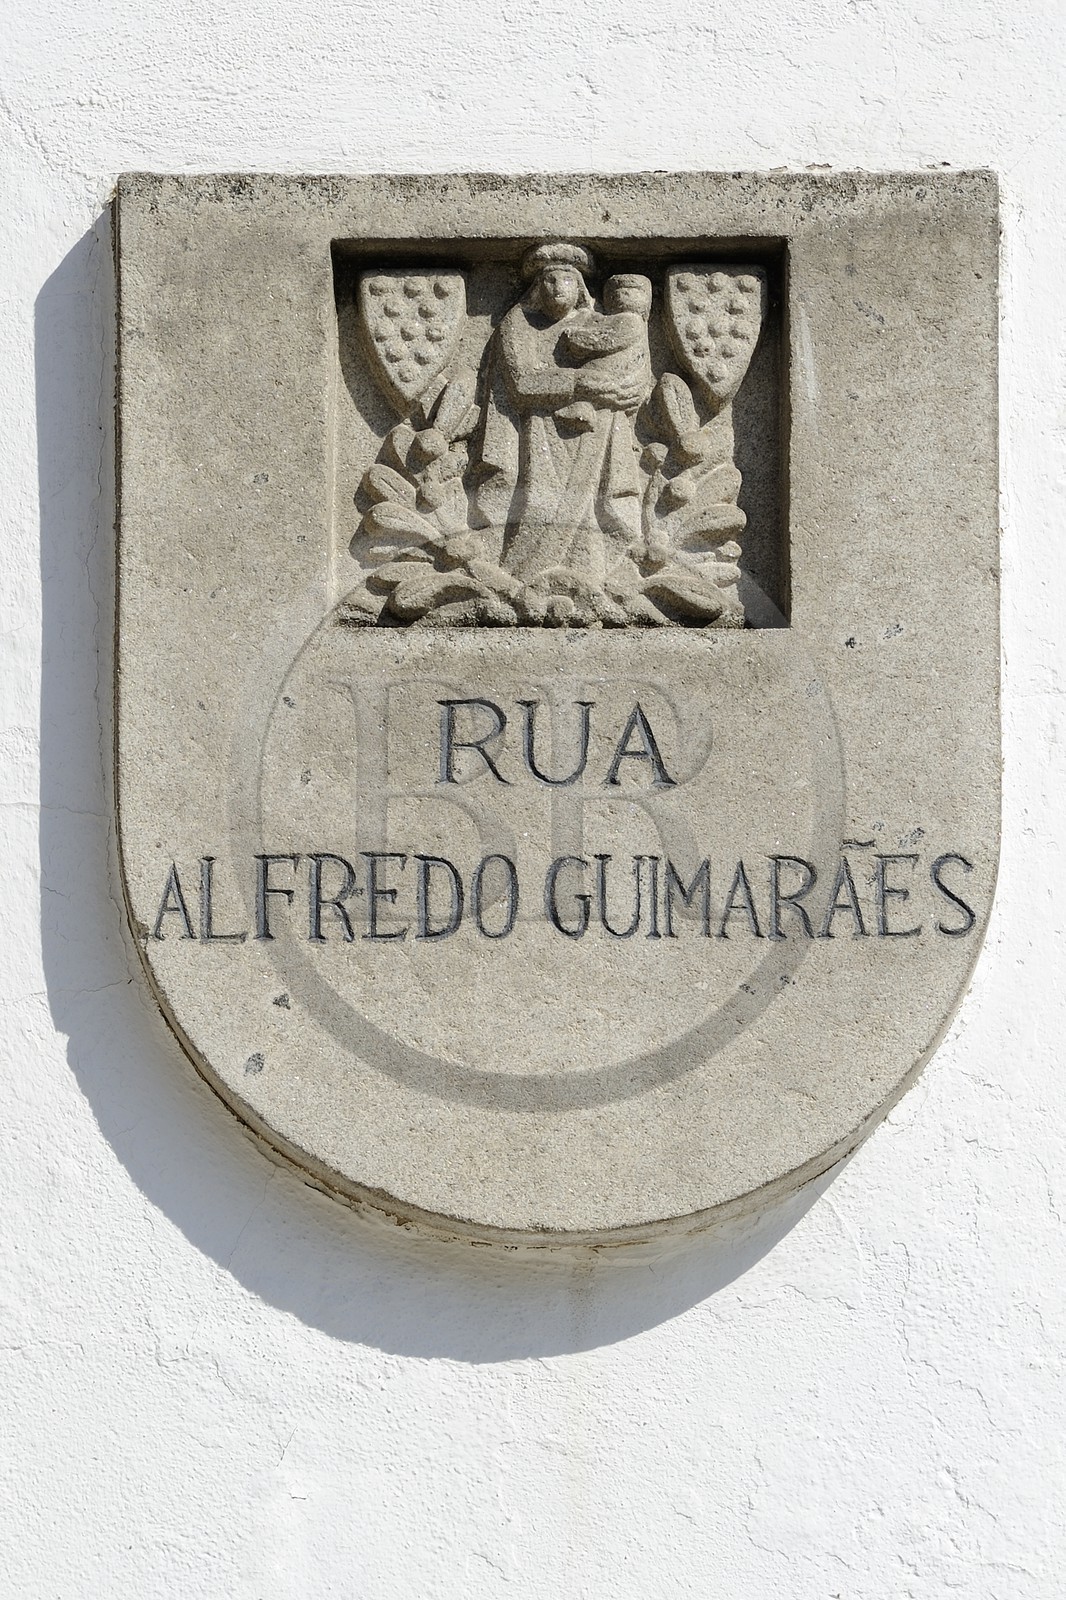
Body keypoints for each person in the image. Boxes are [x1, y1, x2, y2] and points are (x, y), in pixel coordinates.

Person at [472, 244, 648, 589]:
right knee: (539, 504)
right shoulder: (518, 323)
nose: (557, 288)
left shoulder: (598, 324)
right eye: (550, 280)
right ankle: (524, 578)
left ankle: (592, 581)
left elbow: (631, 371)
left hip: (596, 434)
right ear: (538, 287)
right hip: (538, 432)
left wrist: (622, 387)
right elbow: (521, 384)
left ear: (579, 286)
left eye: (566, 280)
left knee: (591, 510)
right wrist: (579, 383)